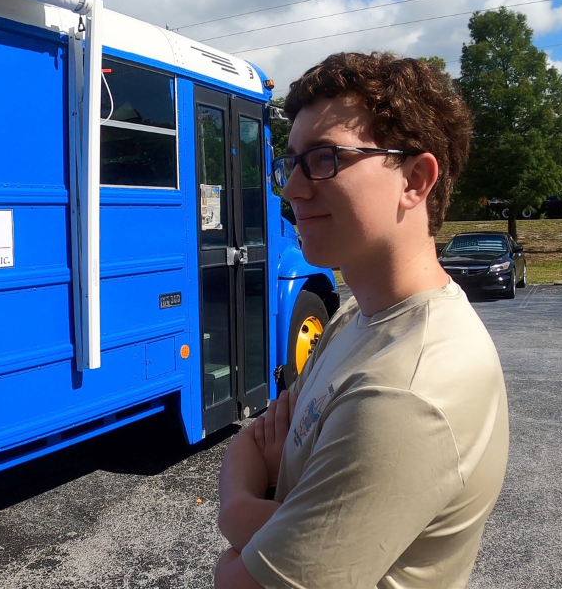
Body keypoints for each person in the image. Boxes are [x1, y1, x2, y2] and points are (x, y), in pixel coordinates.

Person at [213, 52, 509, 589]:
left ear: (415, 180)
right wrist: (270, 500)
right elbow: (251, 442)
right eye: (291, 163)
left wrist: (235, 513)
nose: (291, 190)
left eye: (325, 159)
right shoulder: (355, 318)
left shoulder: (405, 392)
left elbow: (238, 582)